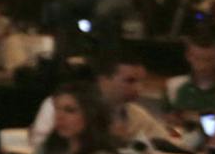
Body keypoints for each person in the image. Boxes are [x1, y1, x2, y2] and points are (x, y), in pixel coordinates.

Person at [27, 50, 171, 146]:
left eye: (141, 82)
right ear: (103, 80)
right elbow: (40, 144)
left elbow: (166, 143)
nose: (138, 88)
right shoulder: (60, 106)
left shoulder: (136, 115)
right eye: (130, 81)